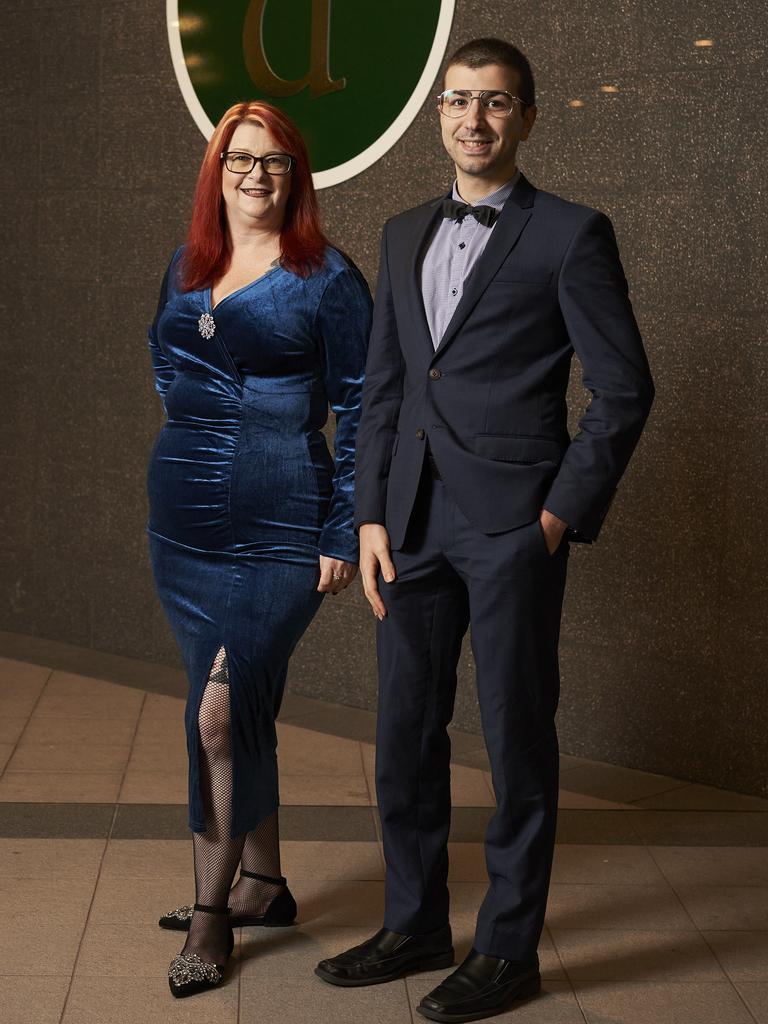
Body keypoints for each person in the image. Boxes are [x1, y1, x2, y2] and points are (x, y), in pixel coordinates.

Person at [316, 38, 654, 1023]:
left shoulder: (571, 234)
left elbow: (624, 389)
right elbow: (382, 388)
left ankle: (510, 950)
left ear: (527, 117)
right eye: (460, 100)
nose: (474, 118)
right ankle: (414, 921)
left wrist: (556, 514)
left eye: (496, 103)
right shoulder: (400, 230)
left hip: (512, 529)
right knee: (403, 737)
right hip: (409, 524)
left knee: (515, 739)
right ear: (440, 115)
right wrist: (368, 512)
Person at [146, 100, 372, 998]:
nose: (256, 175)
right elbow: (164, 362)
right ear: (217, 170)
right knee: (238, 714)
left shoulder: (329, 279)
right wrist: (203, 435)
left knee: (215, 714)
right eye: (240, 159)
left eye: (275, 162)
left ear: (297, 176)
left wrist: (341, 524)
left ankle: (212, 914)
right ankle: (267, 885)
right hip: (183, 524)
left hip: (284, 520)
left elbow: (361, 408)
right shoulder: (185, 264)